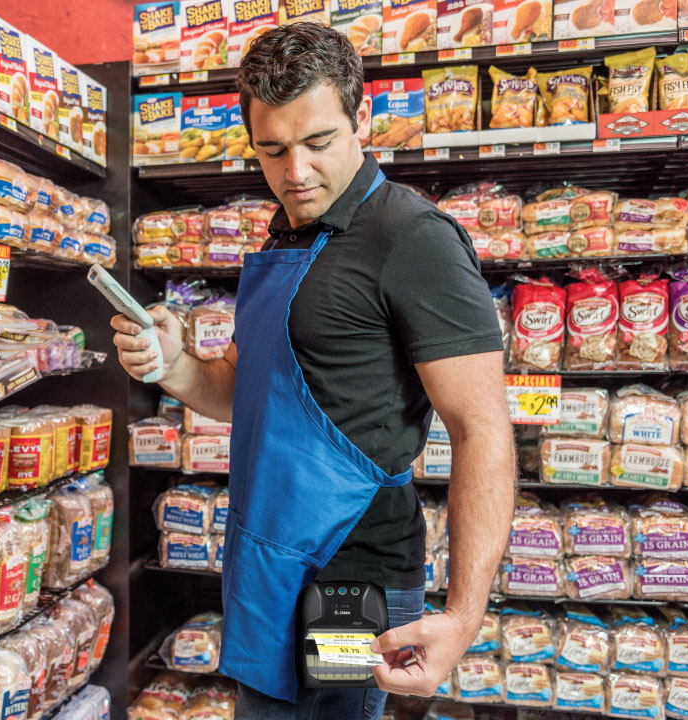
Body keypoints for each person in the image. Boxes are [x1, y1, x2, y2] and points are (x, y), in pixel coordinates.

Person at [111, 23, 516, 720]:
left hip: (351, 583)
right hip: (266, 559)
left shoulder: (415, 240)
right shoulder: (283, 231)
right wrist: (174, 363)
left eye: (318, 143)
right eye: (272, 150)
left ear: (362, 118)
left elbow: (482, 430)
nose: (295, 171)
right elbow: (246, 391)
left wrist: (464, 615)